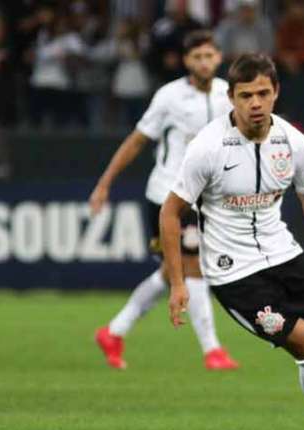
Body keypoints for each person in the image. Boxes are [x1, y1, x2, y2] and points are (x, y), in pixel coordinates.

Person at [160, 53, 304, 430]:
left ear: (276, 92)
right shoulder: (208, 147)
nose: (255, 104)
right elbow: (170, 212)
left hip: (284, 254)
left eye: (263, 93)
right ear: (230, 98)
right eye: (246, 95)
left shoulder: (293, 141)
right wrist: (179, 282)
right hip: (235, 274)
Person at [90, 30, 238, 371]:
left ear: (218, 57)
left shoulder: (226, 95)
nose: (204, 62)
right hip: (167, 196)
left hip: (207, 198)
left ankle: (114, 331)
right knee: (192, 268)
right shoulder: (169, 97)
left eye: (209, 55)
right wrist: (104, 184)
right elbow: (137, 141)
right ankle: (212, 350)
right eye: (196, 56)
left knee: (171, 272)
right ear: (186, 61)